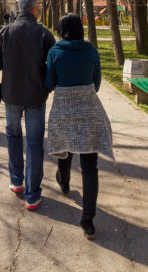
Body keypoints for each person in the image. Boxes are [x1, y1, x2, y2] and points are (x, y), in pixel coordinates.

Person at [0, 0, 55, 210]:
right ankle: (32, 195)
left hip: (11, 95)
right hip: (36, 97)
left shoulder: (5, 32)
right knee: (34, 144)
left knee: (13, 136)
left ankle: (17, 181)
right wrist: (48, 86)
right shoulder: (44, 34)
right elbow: (53, 64)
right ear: (34, 10)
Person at [45, 13, 113, 239]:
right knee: (90, 165)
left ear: (61, 29)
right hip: (89, 110)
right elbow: (97, 82)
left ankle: (64, 182)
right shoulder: (91, 51)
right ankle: (88, 219)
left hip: (64, 109)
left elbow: (49, 82)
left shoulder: (55, 51)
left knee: (65, 149)